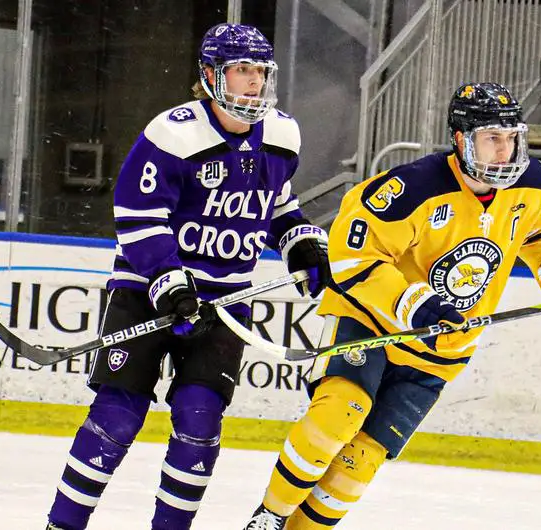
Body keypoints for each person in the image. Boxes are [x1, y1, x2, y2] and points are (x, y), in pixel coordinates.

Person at [243, 82, 541, 529]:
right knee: (339, 415)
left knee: (360, 462)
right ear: (460, 139)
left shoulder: (532, 184)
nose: (505, 150)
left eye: (511, 137)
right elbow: (350, 256)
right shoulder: (411, 189)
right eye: (492, 137)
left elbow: (539, 233)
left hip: (443, 349)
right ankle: (267, 517)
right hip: (373, 324)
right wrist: (418, 305)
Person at [45, 23, 332, 530]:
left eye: (261, 72)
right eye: (242, 71)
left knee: (199, 420)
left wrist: (299, 241)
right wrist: (169, 281)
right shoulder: (172, 133)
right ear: (209, 74)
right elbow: (137, 216)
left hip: (225, 304)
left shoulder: (284, 134)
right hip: (146, 290)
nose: (253, 83)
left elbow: (277, 202)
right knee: (117, 415)